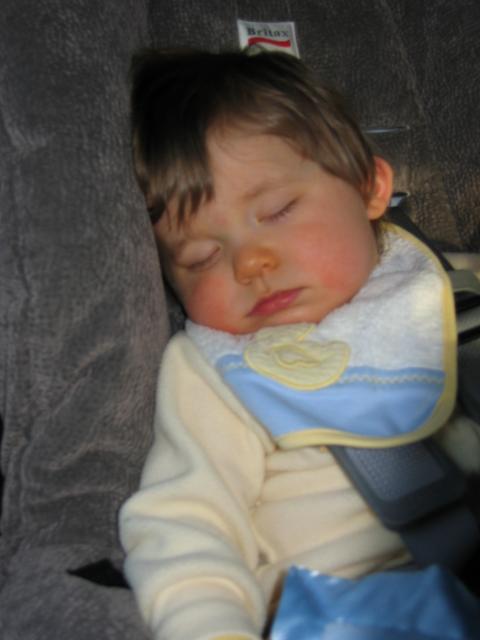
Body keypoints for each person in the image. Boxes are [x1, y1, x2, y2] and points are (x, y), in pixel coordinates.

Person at [119, 48, 480, 640]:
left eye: (278, 210)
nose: (250, 263)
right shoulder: (215, 369)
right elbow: (184, 526)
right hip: (338, 610)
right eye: (201, 257)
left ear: (369, 188)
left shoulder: (446, 291)